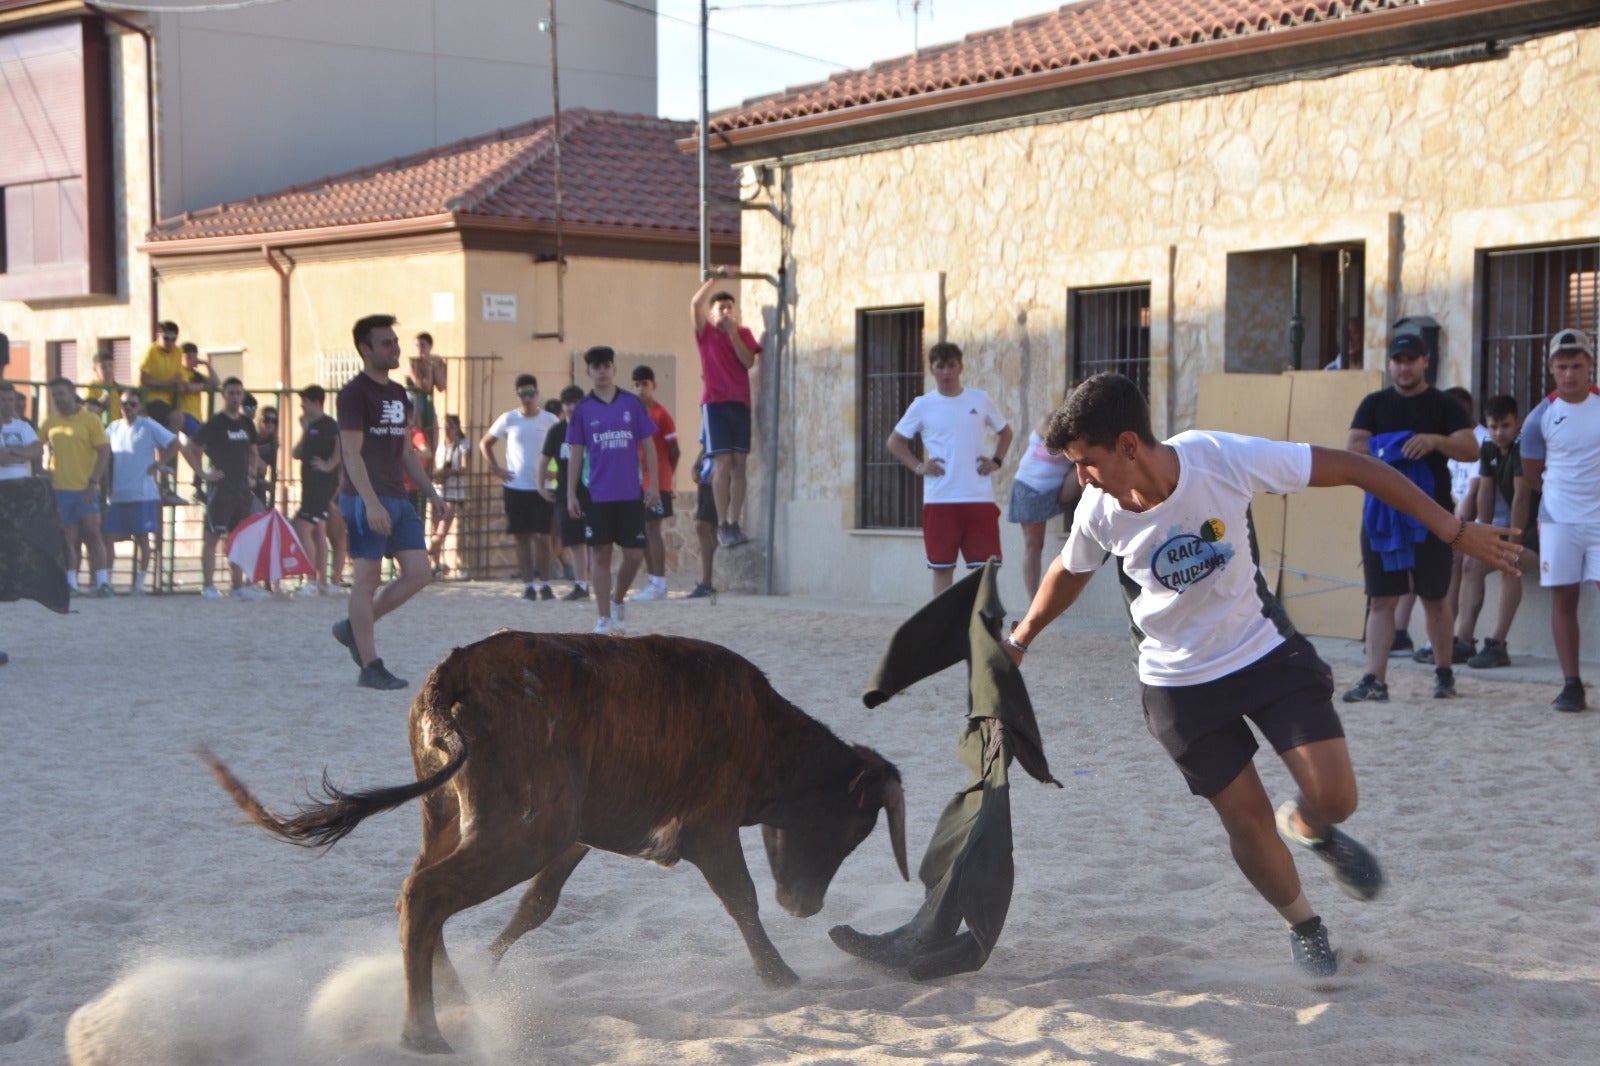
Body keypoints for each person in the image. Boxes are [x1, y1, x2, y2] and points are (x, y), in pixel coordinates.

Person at [1007, 371, 1520, 975]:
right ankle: (1304, 924)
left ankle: (1307, 825)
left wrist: (1453, 531)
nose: (1079, 480)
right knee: (1244, 817)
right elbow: (1068, 571)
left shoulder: (1220, 458)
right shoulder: (1100, 510)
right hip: (1176, 684)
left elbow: (1358, 468)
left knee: (1337, 796)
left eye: (1086, 463)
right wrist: (1019, 641)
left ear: (1127, 445)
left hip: (1262, 653)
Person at [1342, 332, 1478, 702]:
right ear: (1391, 364)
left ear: (1425, 361)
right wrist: (1394, 444)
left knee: (1435, 598)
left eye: (1411, 359)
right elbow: (1352, 447)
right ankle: (1375, 679)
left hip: (1433, 516)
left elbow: (1470, 448)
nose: (1404, 367)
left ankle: (1444, 673)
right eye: (1398, 360)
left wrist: (1434, 441)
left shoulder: (1445, 405)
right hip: (1382, 517)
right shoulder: (1374, 403)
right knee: (1382, 600)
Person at [332, 314, 449, 690]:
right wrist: (370, 503)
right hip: (365, 498)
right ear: (365, 349)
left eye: (395, 341)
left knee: (419, 572)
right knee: (366, 580)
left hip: (398, 497)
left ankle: (355, 627)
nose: (395, 348)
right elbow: (350, 453)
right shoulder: (354, 393)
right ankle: (370, 665)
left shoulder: (398, 393)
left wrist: (430, 492)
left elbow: (405, 452)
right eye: (386, 343)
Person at [1516, 328, 1600, 713]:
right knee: (1563, 598)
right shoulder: (1538, 419)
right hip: (1559, 520)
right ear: (1551, 368)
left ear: (1590, 365)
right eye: (1562, 366)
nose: (1570, 374)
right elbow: (1533, 476)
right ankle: (1571, 684)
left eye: (1577, 366)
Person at [886, 341, 1013, 596]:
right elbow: (894, 441)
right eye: (940, 366)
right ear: (932, 370)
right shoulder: (922, 405)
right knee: (942, 568)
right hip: (940, 498)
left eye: (951, 366)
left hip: (978, 497)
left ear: (961, 367)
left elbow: (1005, 432)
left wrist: (996, 461)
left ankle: (985, 629)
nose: (946, 372)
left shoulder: (980, 399)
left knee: (986, 569)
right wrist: (919, 466)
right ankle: (943, 631)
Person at [566, 346, 658, 634]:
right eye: (596, 367)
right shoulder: (582, 410)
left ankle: (618, 599)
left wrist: (653, 483)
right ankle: (603, 616)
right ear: (589, 372)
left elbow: (648, 444)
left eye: (606, 365)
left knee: (634, 555)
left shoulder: (632, 404)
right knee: (601, 553)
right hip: (597, 494)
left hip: (630, 493)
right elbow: (576, 453)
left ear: (614, 369)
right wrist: (570, 493)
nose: (602, 371)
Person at [1455, 395, 1539, 670]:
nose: (1499, 432)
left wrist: (1511, 544)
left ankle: (1498, 644)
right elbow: (1486, 493)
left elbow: (1522, 498)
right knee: (1471, 564)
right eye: (1493, 426)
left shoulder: (1523, 446)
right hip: (1515, 526)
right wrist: (1484, 536)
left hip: (1540, 529)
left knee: (1508, 563)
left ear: (1518, 423)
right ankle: (1464, 640)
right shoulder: (1489, 447)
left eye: (1505, 425)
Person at [1410, 386, 1484, 665]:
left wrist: (1456, 531)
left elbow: (1474, 494)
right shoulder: (1442, 441)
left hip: (1468, 521)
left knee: (1453, 564)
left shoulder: (1478, 440)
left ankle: (1457, 638)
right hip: (1446, 519)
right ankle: (1420, 635)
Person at [690, 267, 761, 547]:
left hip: (740, 404)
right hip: (715, 405)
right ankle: (721, 524)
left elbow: (748, 362)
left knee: (740, 464)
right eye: (721, 308)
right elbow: (695, 304)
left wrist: (733, 334)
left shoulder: (743, 333)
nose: (726, 313)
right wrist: (715, 278)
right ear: (712, 314)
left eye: (730, 308)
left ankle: (734, 521)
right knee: (723, 464)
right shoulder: (705, 333)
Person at [481, 373, 559, 601]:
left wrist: (558, 469)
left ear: (537, 393)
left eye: (531, 392)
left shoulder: (550, 420)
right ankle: (528, 586)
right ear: (518, 395)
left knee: (544, 538)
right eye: (523, 393)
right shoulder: (508, 419)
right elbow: (485, 443)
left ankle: (545, 584)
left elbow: (566, 444)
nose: (528, 397)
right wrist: (496, 468)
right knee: (521, 538)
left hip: (543, 487)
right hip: (516, 487)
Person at [102, 389, 183, 595]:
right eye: (124, 404)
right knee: (108, 537)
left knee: (143, 539)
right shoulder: (113, 428)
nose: (128, 408)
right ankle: (107, 581)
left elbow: (174, 443)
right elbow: (102, 451)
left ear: (139, 406)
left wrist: (160, 463)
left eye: (132, 404)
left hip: (143, 493)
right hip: (119, 493)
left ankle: (139, 584)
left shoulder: (147, 426)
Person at [41, 377, 112, 596]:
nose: (58, 399)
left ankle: (102, 583)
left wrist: (93, 482)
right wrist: (42, 469)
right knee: (67, 536)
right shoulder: (50, 422)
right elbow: (38, 446)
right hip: (60, 489)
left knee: (93, 533)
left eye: (61, 394)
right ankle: (71, 584)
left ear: (72, 393)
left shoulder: (90, 420)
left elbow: (103, 452)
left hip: (86, 488)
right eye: (54, 395)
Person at [194, 378, 263, 601]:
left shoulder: (246, 423)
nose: (235, 397)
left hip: (241, 490)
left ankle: (237, 586)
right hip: (220, 490)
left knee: (237, 538)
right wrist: (202, 473)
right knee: (212, 537)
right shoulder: (215, 423)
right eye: (231, 393)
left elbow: (254, 452)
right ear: (223, 395)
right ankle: (209, 586)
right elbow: (190, 448)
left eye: (238, 393)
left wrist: (252, 474)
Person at [1008, 409, 1080, 603]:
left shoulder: (1084, 431)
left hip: (1054, 492)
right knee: (1034, 545)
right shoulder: (1049, 419)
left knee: (1086, 466)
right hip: (1029, 491)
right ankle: (1035, 600)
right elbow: (1054, 440)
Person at [630, 364, 680, 602]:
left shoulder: (661, 415)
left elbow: (674, 451)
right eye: (637, 385)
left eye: (645, 384)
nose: (641, 389)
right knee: (644, 531)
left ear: (654, 386)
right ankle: (652, 581)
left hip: (657, 482)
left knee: (653, 530)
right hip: (639, 481)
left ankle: (659, 583)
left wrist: (665, 480)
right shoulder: (634, 414)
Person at [291, 385, 343, 597]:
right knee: (319, 531)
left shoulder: (329, 424)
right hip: (309, 485)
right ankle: (321, 582)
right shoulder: (310, 426)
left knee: (302, 528)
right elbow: (296, 453)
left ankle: (310, 580)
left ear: (315, 402)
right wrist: (304, 431)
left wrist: (331, 464)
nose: (301, 406)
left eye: (304, 402)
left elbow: (342, 444)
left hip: (321, 487)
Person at [542, 385, 591, 601]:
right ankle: (581, 584)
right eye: (567, 403)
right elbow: (543, 460)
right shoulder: (556, 431)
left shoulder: (592, 427)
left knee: (598, 541)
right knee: (574, 540)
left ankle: (592, 581)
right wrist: (540, 486)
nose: (571, 407)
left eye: (576, 402)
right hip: (564, 493)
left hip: (592, 491)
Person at [428, 413, 469, 576]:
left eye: (450, 426)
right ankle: (435, 565)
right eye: (445, 427)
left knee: (440, 532)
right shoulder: (440, 445)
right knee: (434, 529)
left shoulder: (463, 445)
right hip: (437, 491)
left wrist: (447, 472)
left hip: (454, 492)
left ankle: (423, 555)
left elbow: (465, 468)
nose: (447, 430)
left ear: (457, 428)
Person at [688, 442, 718, 599]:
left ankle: (708, 582)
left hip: (717, 481)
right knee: (710, 529)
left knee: (704, 526)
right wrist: (696, 465)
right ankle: (711, 580)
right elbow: (707, 443)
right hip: (705, 482)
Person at [408, 331, 447, 449]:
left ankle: (431, 460)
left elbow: (441, 386)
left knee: (434, 431)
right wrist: (429, 368)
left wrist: (434, 366)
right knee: (418, 431)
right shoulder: (412, 362)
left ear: (430, 346)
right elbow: (424, 387)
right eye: (416, 345)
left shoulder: (438, 361)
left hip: (428, 400)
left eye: (422, 345)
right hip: (413, 400)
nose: (419, 349)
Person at [0, 382, 43, 480]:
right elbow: (2, 459)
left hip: (23, 487)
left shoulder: (23, 426)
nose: (7, 404)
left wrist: (11, 450)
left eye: (11, 400)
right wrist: (26, 456)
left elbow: (38, 450)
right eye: (3, 400)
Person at [253, 401, 279, 511]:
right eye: (266, 419)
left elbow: (273, 468)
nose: (270, 423)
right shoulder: (251, 437)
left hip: (260, 483)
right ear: (260, 420)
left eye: (274, 421)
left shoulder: (273, 443)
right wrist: (258, 460)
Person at [83, 351, 122, 423]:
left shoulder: (121, 388)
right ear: (95, 369)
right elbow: (85, 411)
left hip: (117, 430)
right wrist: (100, 403)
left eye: (111, 366)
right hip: (99, 429)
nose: (108, 370)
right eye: (103, 367)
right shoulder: (93, 386)